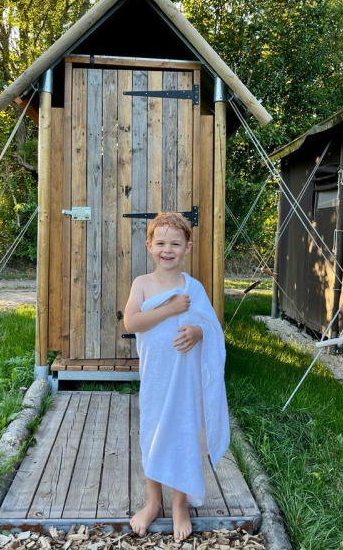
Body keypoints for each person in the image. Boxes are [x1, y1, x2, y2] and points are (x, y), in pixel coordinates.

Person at [124, 212, 230, 542]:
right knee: (152, 433)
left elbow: (213, 328)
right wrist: (169, 309)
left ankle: (180, 501)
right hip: (156, 377)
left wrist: (199, 331)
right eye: (160, 243)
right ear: (149, 246)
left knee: (186, 432)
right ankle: (153, 501)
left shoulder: (193, 287)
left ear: (187, 247)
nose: (167, 250)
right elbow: (131, 323)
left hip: (186, 381)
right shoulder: (142, 284)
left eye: (175, 243)